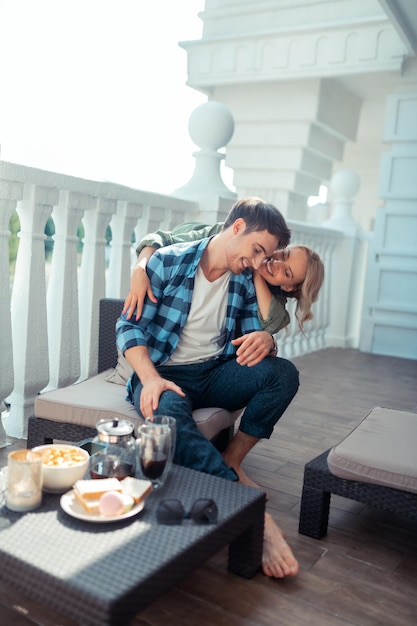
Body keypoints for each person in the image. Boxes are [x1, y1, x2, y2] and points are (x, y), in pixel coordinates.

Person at [116, 197, 300, 578]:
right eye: (257, 249)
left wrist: (267, 340)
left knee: (283, 374)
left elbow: (257, 331)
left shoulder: (244, 279)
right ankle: (254, 515)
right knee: (168, 425)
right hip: (162, 373)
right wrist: (150, 378)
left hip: (214, 372)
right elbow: (128, 327)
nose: (258, 262)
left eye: (266, 255)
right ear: (237, 228)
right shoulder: (168, 262)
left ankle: (231, 460)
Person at [123, 222, 324, 335]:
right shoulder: (228, 240)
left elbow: (271, 323)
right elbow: (163, 239)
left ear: (289, 287)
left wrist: (256, 268)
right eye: (284, 254)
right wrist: (139, 269)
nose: (276, 263)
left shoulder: (275, 296)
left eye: (286, 273)